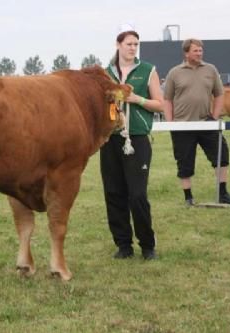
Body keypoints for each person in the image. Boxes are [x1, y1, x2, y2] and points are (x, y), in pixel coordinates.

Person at [100, 24, 164, 260]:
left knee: (137, 194)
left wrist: (137, 99)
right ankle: (123, 245)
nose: (133, 48)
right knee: (114, 192)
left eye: (136, 44)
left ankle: (148, 245)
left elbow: (161, 104)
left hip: (136, 138)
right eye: (129, 44)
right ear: (118, 45)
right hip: (111, 139)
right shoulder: (106, 73)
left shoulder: (147, 70)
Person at [163, 38, 230, 206]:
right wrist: (170, 123)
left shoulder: (211, 70)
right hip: (182, 126)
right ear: (186, 53)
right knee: (184, 162)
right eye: (195, 51)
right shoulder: (174, 73)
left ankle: (223, 193)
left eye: (200, 50)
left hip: (207, 123)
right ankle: (188, 198)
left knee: (222, 154)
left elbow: (219, 94)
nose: (199, 53)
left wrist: (214, 116)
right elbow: (167, 99)